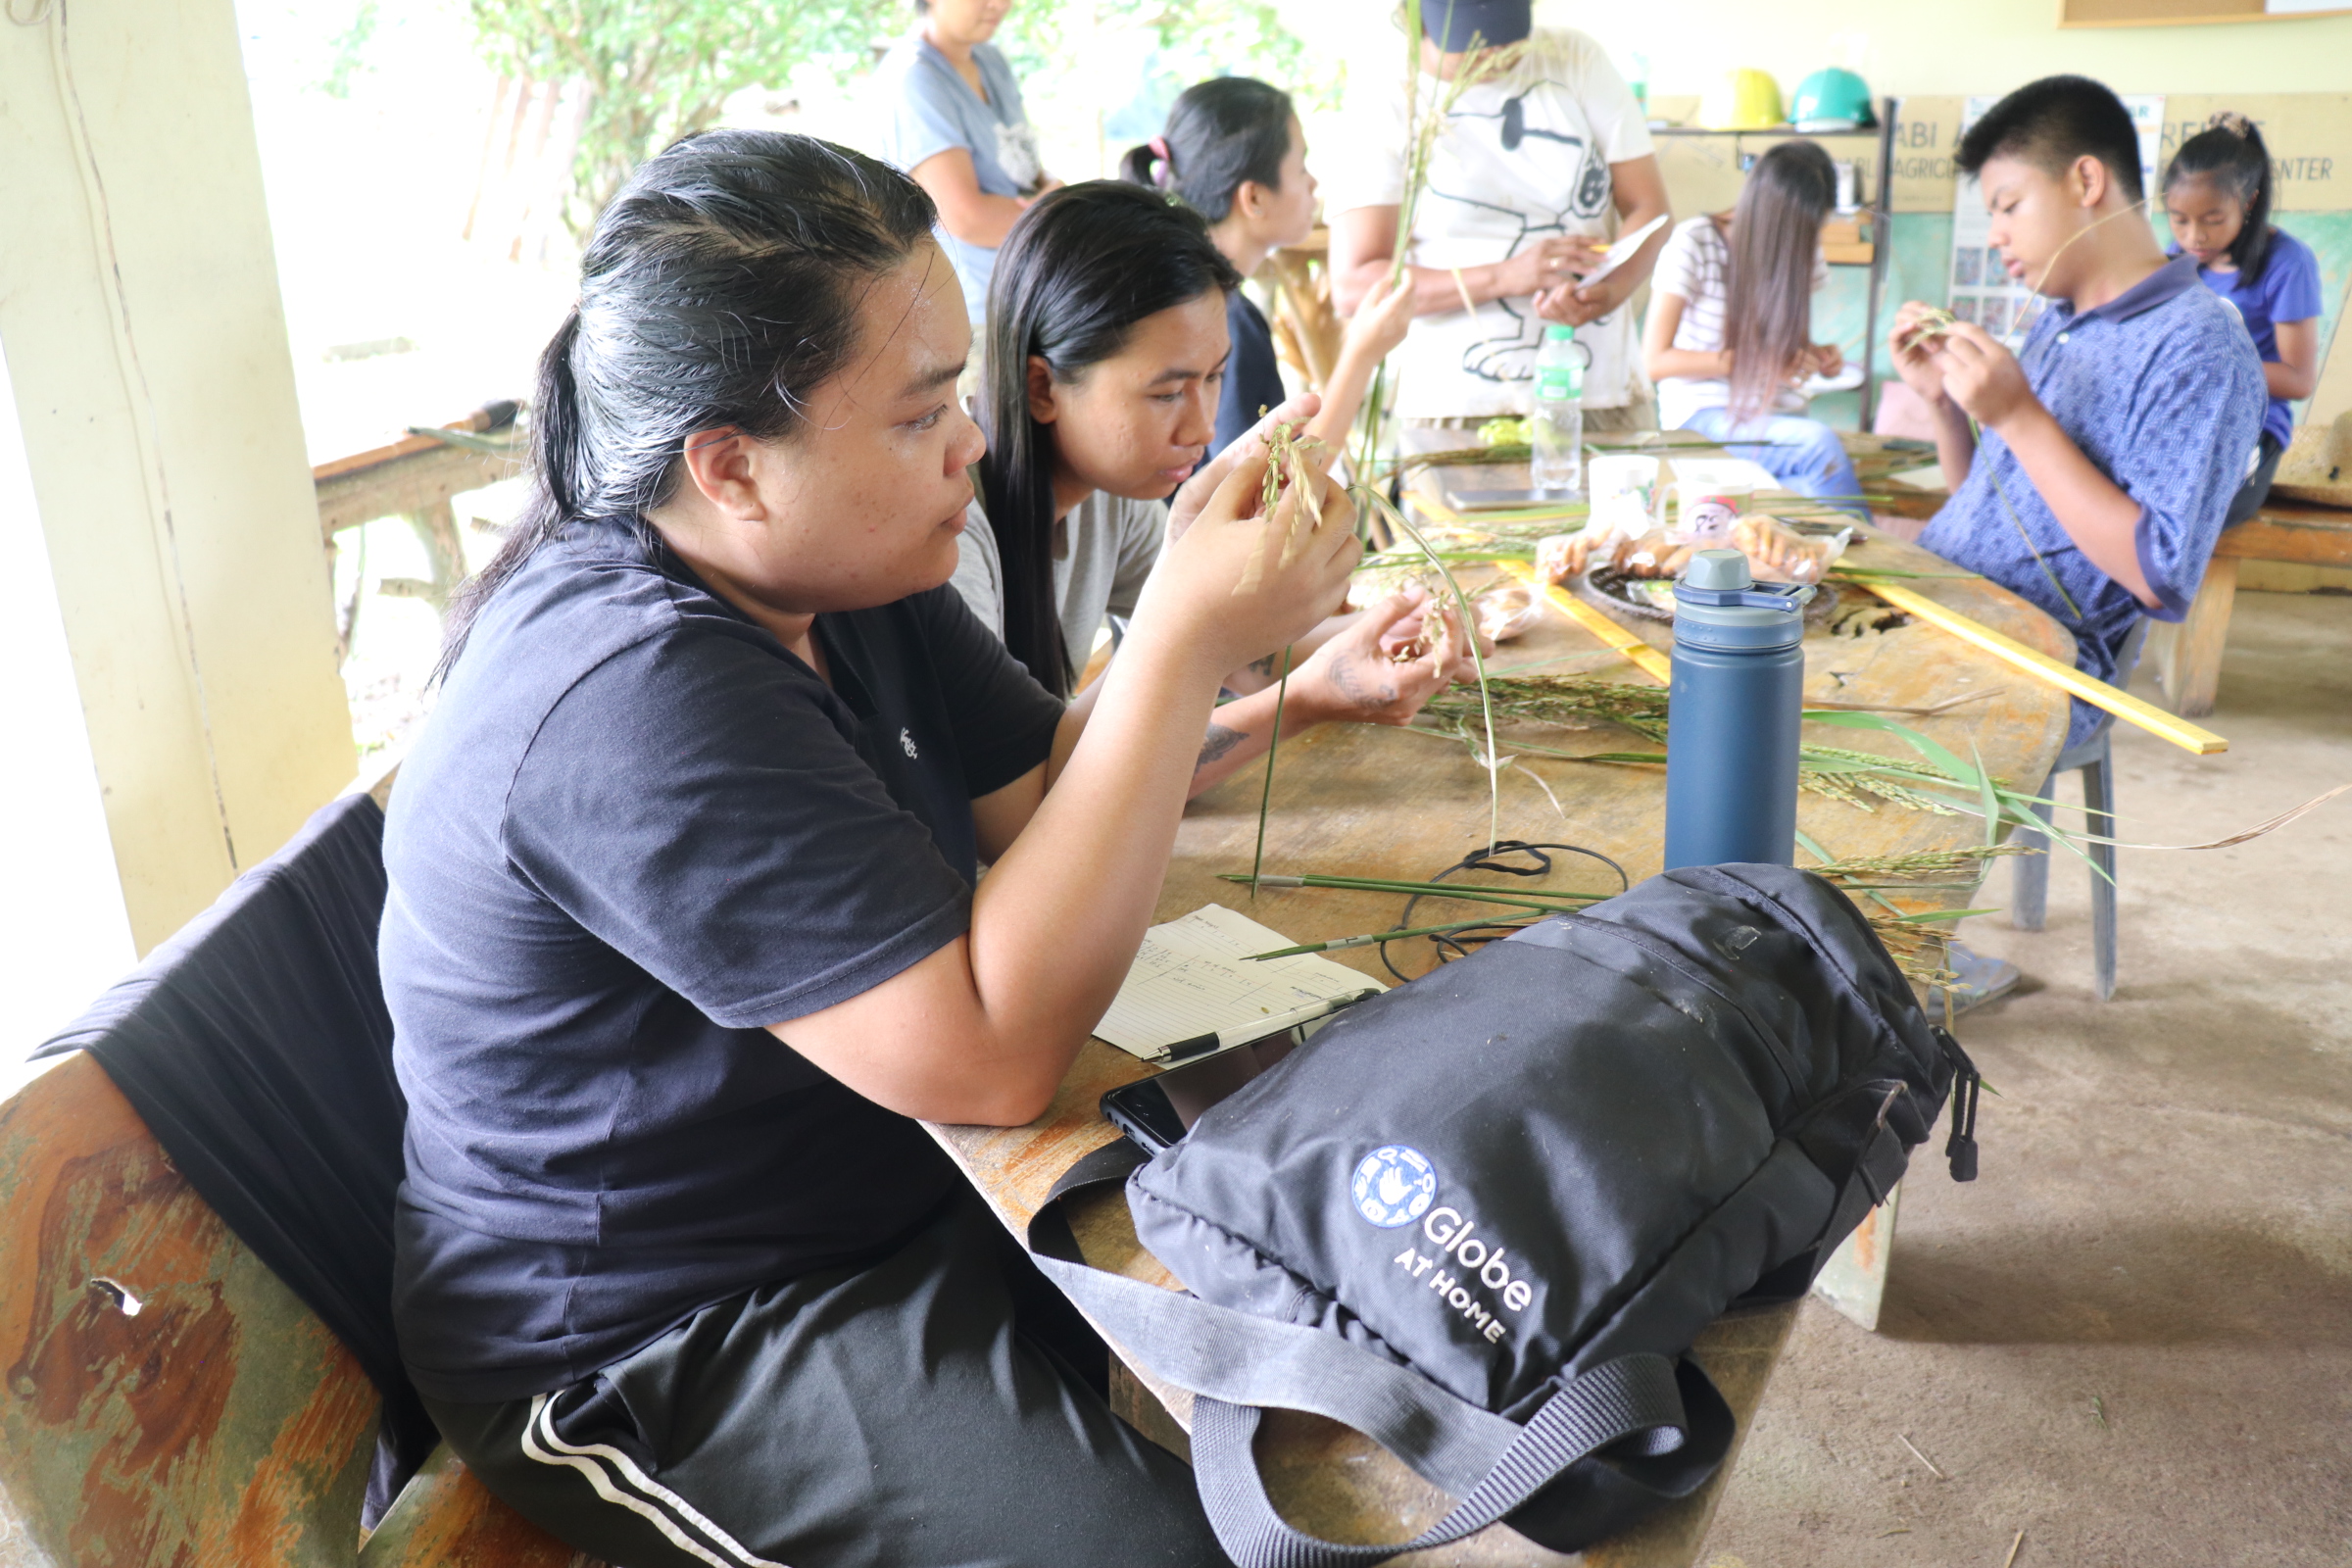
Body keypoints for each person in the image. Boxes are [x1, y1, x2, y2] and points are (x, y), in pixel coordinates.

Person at [381, 130, 1361, 1567]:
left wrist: (1192, 625)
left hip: (895, 1183)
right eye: (919, 414)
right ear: (732, 466)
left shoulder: (842, 569)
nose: (971, 441)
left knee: (1358, 1297)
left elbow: (1045, 805)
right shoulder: (635, 693)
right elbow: (991, 1054)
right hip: (669, 1327)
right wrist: (1189, 635)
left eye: (958, 390)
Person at [1888, 75, 2264, 1009]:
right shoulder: (2061, 320)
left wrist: (2016, 415)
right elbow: (1987, 503)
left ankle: (1881, 956)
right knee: (1745, 634)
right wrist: (1950, 409)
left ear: (2087, 180)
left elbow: (2158, 574)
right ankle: (1819, 935)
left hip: (2049, 659)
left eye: (2010, 205)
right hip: (1956, 606)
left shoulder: (2200, 347)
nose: (1999, 237)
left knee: (1803, 706)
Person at [956, 179, 1472, 797]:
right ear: (1043, 388)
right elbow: (1049, 791)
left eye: (1215, 378)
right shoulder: (954, 533)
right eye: (1167, 393)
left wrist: (1392, 638)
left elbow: (1236, 651)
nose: (1201, 427)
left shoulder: (1117, 495)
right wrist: (1302, 703)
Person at [1321, 0, 1672, 430]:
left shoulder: (1576, 59)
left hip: (1598, 393)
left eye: (1510, 36)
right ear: (1416, 20)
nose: (1495, 54)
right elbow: (1356, 287)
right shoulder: (1388, 98)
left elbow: (1649, 208)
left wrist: (1609, 288)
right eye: (1472, 41)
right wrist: (1508, 276)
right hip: (1457, 410)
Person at [1119, 76, 1420, 459]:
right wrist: (1361, 353)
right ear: (1254, 197)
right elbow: (1263, 495)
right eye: (1300, 167)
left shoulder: (1178, 293)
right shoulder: (1221, 318)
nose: (1313, 183)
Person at [1642, 140, 1865, 512]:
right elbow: (1653, 361)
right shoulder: (1694, 243)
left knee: (1809, 494)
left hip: (1776, 416)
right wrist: (1750, 360)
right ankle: (1871, 561)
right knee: (1819, 447)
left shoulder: (1800, 250)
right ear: (1775, 217)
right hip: (1701, 420)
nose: (1808, 242)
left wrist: (1816, 356)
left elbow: (1785, 345)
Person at [2162, 112, 2324, 524]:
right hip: (2182, 418)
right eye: (2179, 220)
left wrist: (2208, 368)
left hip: (2252, 427)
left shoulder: (2288, 263)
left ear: (2248, 202)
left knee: (2190, 510)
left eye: (2212, 220)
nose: (2194, 236)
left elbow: (2299, 378)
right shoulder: (2178, 257)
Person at [874, 0, 1054, 321]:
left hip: (1031, 289)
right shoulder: (914, 77)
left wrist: (1051, 194)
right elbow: (968, 218)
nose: (999, 4)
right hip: (977, 313)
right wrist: (1058, 210)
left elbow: (1025, 167)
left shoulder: (989, 59)